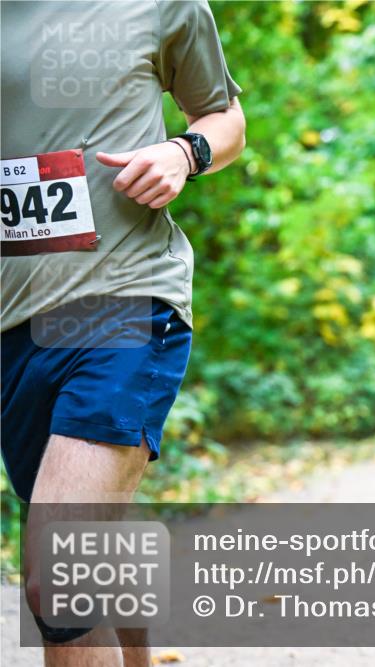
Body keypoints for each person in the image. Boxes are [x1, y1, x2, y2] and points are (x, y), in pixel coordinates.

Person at [1, 1, 245, 664]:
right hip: (14, 330)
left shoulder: (163, 5)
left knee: (61, 573)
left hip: (127, 301)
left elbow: (225, 120)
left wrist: (182, 152)